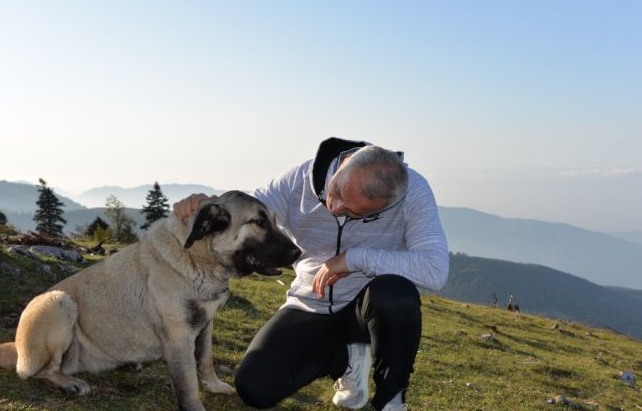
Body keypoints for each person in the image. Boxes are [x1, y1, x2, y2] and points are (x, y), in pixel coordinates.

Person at [173, 137, 449, 411]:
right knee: (254, 388)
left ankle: (391, 400)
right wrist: (206, 205)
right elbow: (246, 212)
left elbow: (435, 270)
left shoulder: (413, 191)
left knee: (396, 294)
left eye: (356, 213)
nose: (336, 208)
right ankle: (345, 358)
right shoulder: (298, 181)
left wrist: (353, 259)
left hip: (368, 310)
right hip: (310, 303)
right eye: (337, 191)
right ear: (342, 166)